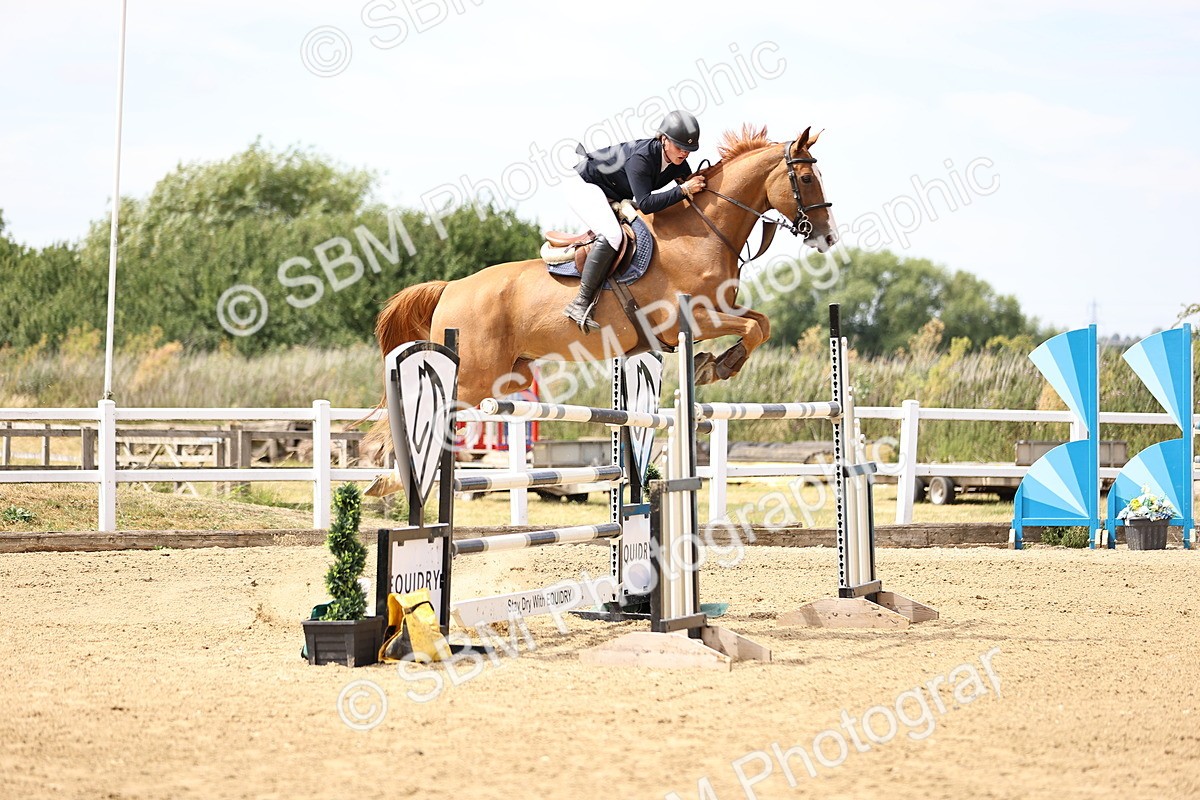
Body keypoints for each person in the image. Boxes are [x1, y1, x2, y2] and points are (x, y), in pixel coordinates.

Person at [561, 110, 707, 331]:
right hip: (583, 185)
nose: (684, 153)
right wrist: (684, 189)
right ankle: (580, 303)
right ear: (664, 140)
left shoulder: (676, 160)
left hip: (608, 191)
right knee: (613, 235)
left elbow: (688, 185)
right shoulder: (642, 158)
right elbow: (646, 204)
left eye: (689, 149)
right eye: (680, 147)